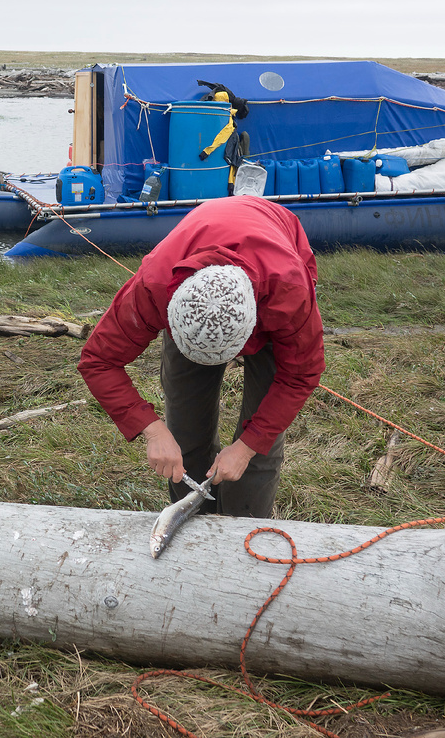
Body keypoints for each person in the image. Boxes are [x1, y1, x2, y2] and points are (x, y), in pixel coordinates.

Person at [77, 195, 324, 518]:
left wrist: (247, 447)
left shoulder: (289, 292)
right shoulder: (155, 285)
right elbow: (98, 360)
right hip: (198, 261)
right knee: (184, 434)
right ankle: (192, 532)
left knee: (258, 449)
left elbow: (301, 375)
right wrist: (152, 429)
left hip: (271, 262)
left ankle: (244, 534)